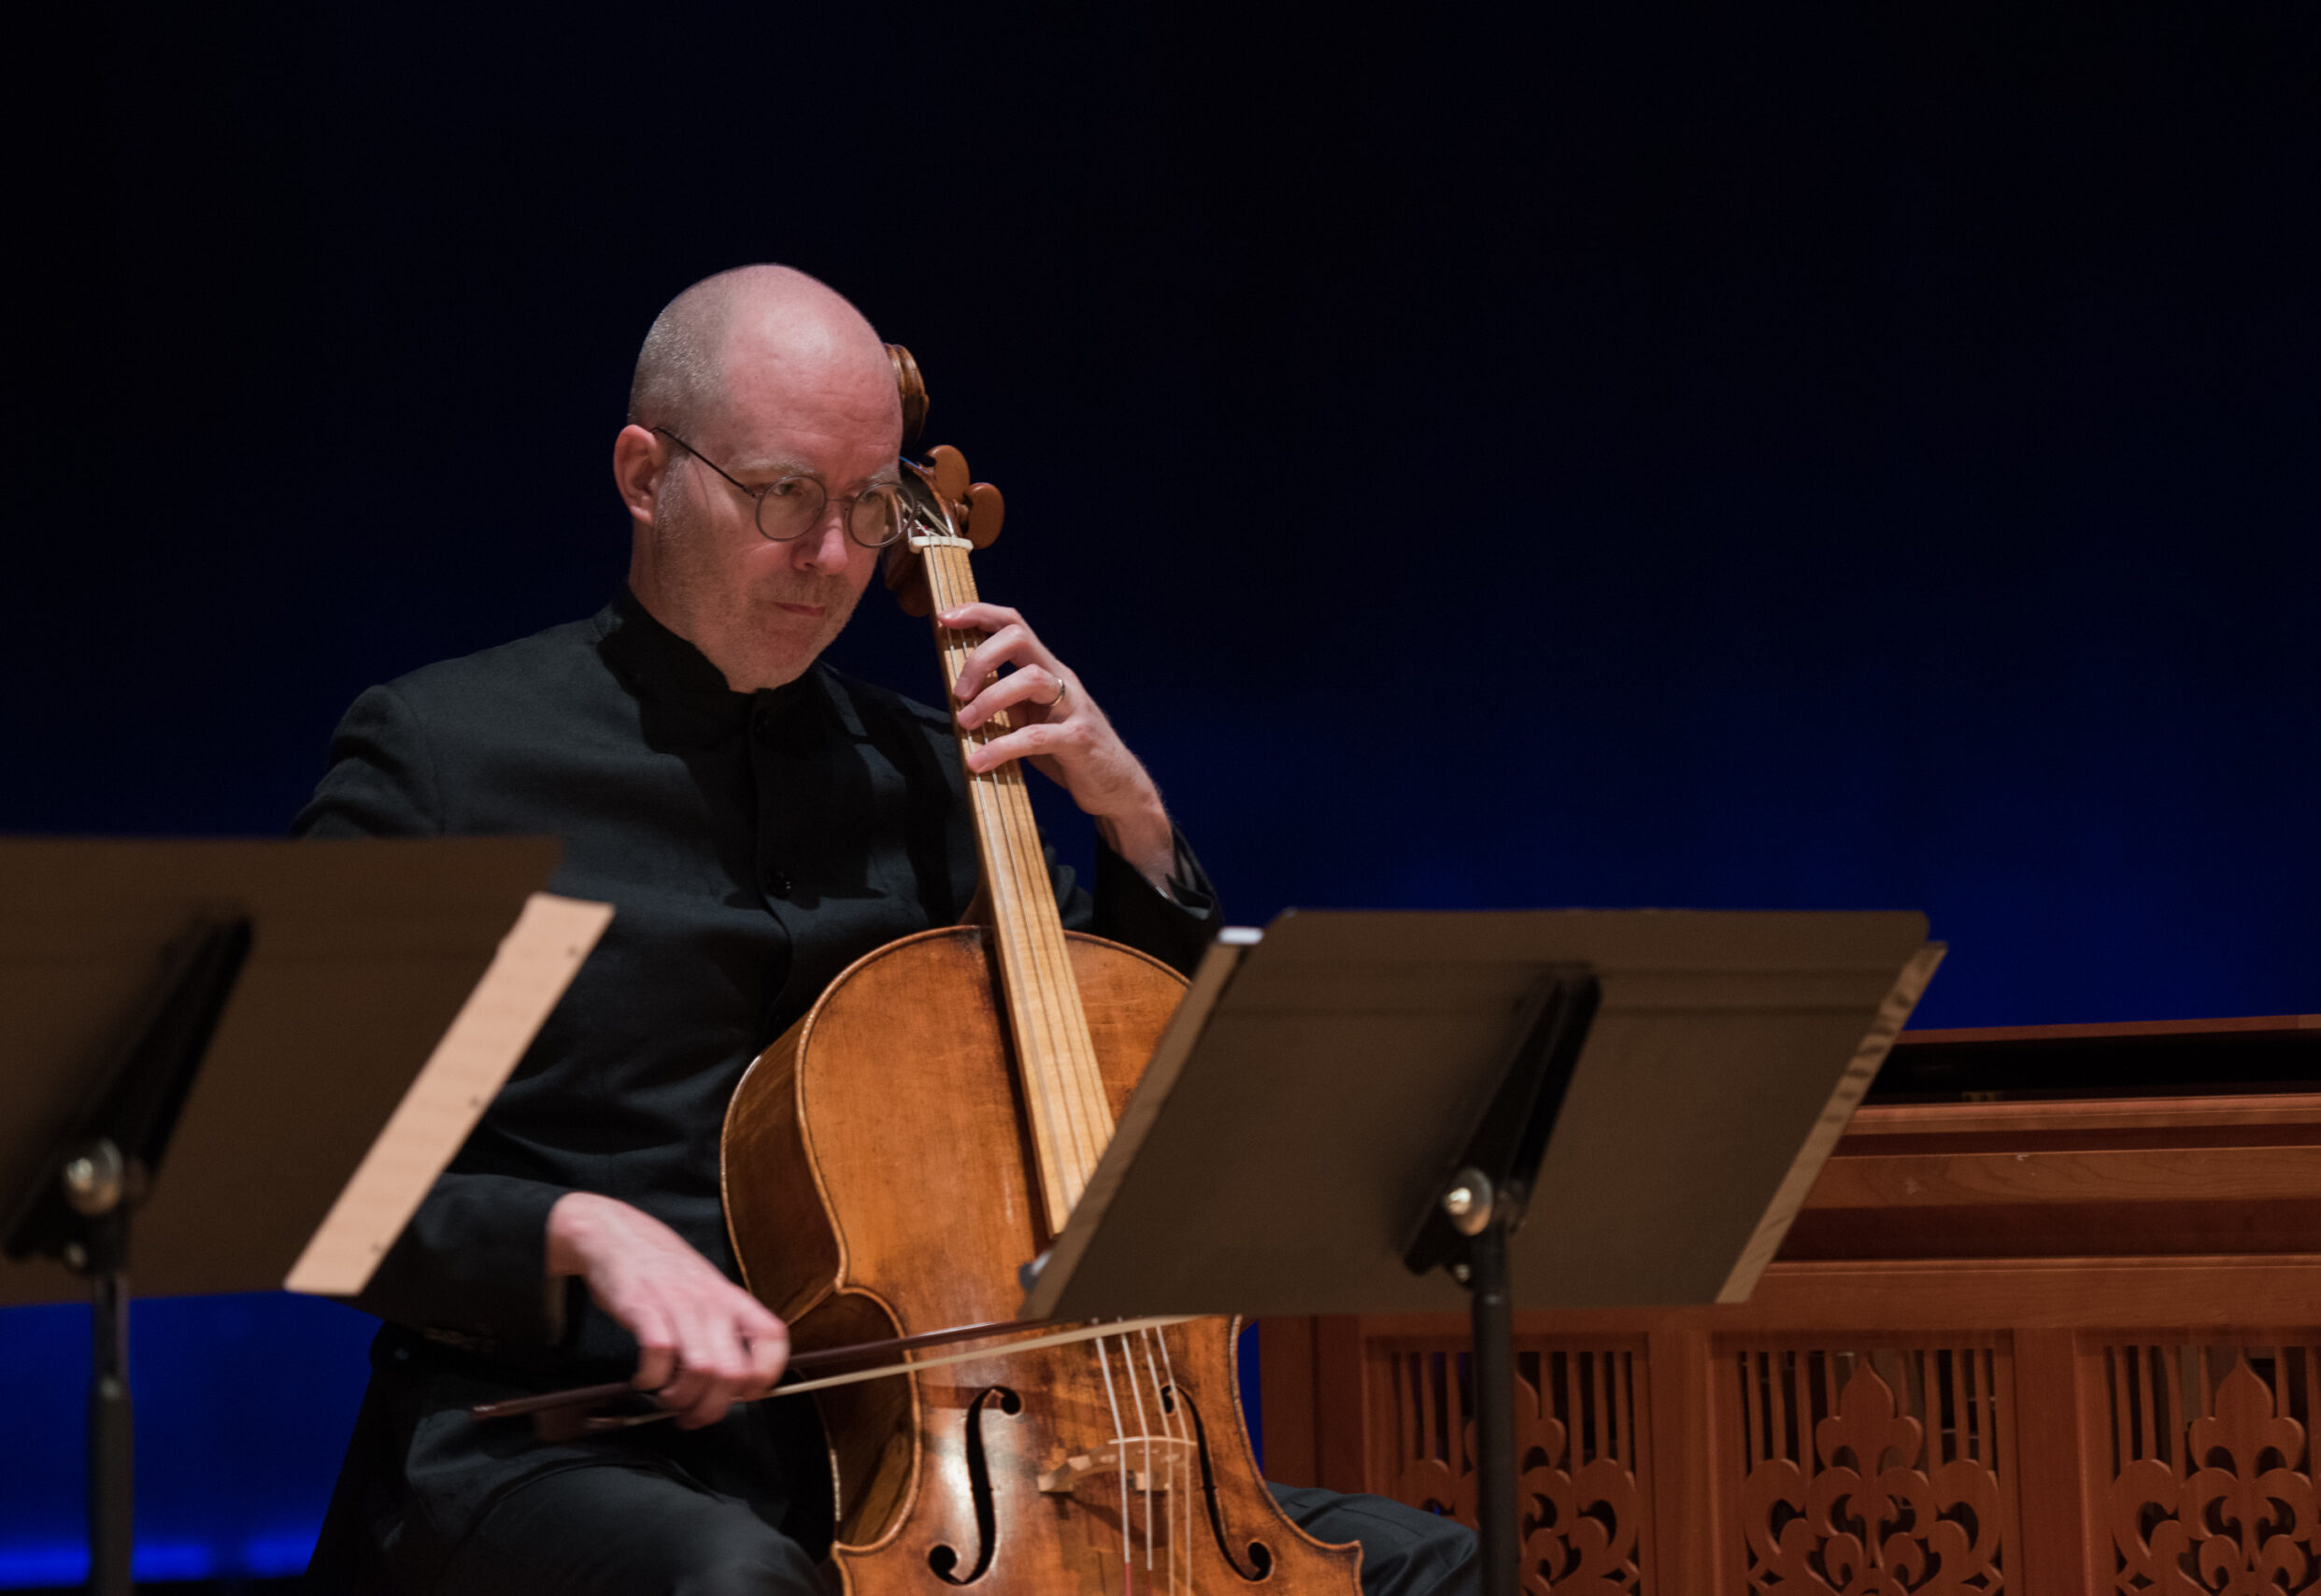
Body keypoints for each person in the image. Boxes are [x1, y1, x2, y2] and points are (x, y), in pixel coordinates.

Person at [298, 264, 1475, 1596]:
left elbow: (1135, 1106)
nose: (836, 558)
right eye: (783, 497)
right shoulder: (452, 759)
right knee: (733, 1581)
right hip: (558, 1451)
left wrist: (1133, 822)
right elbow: (303, 1176)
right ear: (643, 473)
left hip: (935, 1458)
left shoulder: (939, 776)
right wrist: (569, 1228)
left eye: (867, 505)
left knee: (1430, 1565)